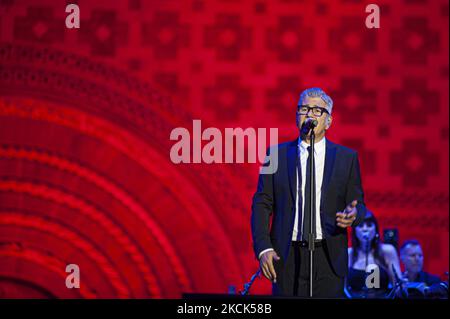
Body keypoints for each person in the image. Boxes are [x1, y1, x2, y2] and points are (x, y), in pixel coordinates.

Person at [251, 87, 367, 298]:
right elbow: (262, 203)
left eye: (317, 110)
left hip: (328, 257)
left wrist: (354, 215)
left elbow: (358, 204)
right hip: (287, 257)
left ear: (329, 121)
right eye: (304, 109)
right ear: (296, 116)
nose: (310, 115)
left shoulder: (346, 158)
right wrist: (263, 248)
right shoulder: (275, 155)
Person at [346, 210, 402, 298]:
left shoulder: (387, 251)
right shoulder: (348, 254)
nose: (365, 229)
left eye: (369, 225)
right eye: (360, 226)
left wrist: (402, 286)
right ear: (355, 231)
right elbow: (342, 288)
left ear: (376, 229)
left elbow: (397, 285)